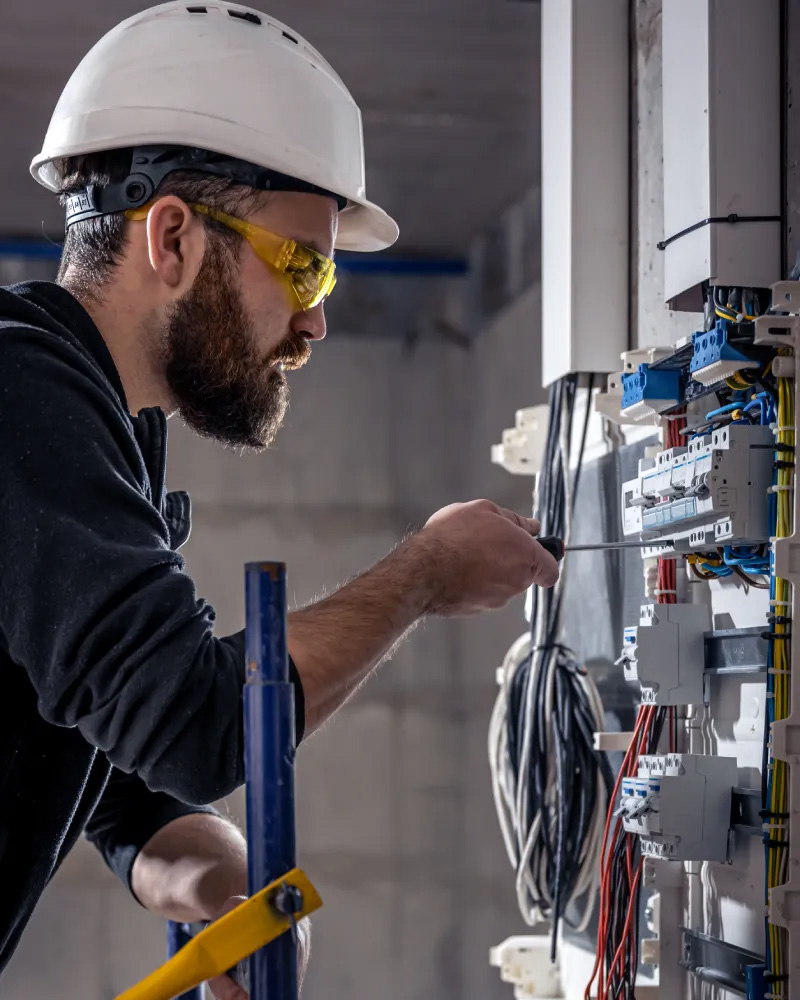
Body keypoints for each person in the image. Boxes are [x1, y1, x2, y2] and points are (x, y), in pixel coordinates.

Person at [0, 3, 559, 996]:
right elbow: (197, 722)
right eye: (302, 262)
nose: (315, 318)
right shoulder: (19, 400)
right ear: (169, 236)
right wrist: (423, 572)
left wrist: (225, 885)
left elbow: (122, 779)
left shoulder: (106, 428)